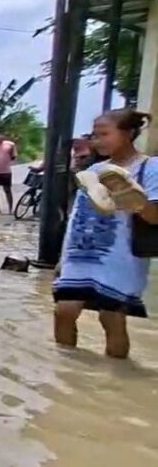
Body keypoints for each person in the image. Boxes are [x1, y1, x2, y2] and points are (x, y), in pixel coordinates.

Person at [54, 109, 158, 359]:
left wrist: (133, 200)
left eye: (104, 134)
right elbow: (76, 217)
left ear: (129, 133)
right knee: (63, 311)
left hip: (119, 256)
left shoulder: (150, 168)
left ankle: (116, 372)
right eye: (94, 135)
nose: (97, 141)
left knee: (111, 318)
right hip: (80, 252)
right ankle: (68, 370)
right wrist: (62, 257)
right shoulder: (93, 172)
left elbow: (155, 217)